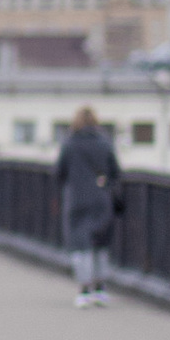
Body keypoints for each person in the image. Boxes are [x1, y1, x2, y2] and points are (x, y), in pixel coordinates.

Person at [55, 106, 123, 304]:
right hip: (101, 199)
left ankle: (84, 289)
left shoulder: (69, 143)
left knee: (80, 243)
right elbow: (115, 171)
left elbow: (60, 172)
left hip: (77, 199)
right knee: (100, 243)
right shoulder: (104, 142)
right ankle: (101, 287)